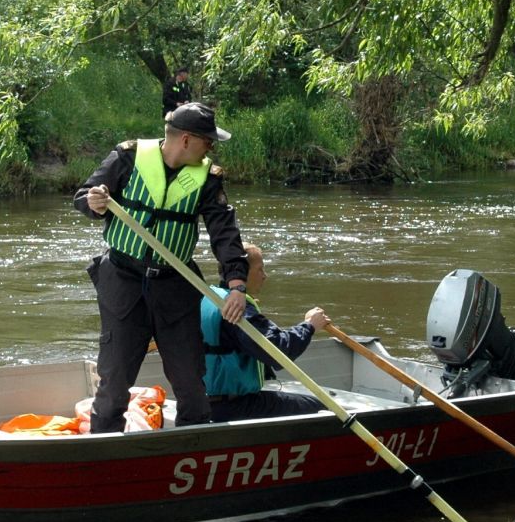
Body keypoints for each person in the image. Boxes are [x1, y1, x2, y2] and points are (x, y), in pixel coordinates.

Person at [75, 102, 248, 433]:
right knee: (114, 381)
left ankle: (191, 447)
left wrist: (236, 284)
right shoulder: (127, 157)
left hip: (175, 286)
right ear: (186, 139)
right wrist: (94, 203)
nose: (211, 148)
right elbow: (83, 197)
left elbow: (225, 234)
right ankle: (104, 447)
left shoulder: (208, 179)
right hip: (123, 281)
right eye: (208, 141)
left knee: (191, 383)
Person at [201, 244, 329, 421]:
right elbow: (278, 351)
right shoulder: (239, 309)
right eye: (260, 269)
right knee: (321, 408)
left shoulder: (211, 297)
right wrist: (309, 325)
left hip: (204, 402)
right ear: (242, 273)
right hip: (235, 406)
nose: (264, 276)